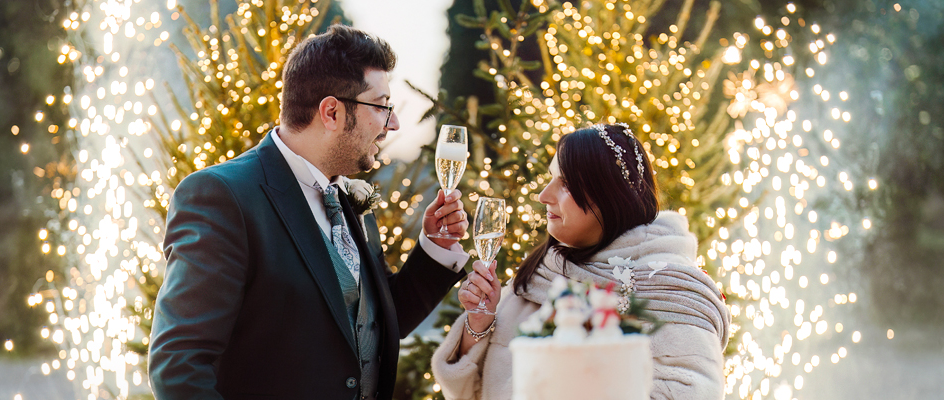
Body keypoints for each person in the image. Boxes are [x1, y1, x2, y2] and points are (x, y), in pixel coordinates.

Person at [148, 25, 471, 400]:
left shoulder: (347, 196)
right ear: (331, 112)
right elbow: (178, 364)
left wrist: (435, 246)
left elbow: (371, 323)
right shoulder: (223, 196)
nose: (393, 124)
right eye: (383, 106)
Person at [431, 123, 731, 400]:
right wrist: (478, 327)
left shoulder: (672, 292)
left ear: (609, 196)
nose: (543, 195)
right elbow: (477, 393)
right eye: (551, 179)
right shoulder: (544, 272)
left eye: (566, 184)